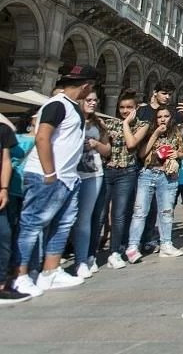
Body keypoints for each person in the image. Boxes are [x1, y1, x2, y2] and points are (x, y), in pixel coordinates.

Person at [13, 65, 99, 297]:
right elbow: (42, 136)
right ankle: (19, 277)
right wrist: (49, 172)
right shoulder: (57, 104)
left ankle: (50, 273)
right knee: (32, 225)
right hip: (48, 176)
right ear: (86, 85)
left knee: (62, 225)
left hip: (68, 178)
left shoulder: (70, 106)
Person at [123, 106, 183, 263]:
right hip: (148, 174)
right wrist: (155, 134)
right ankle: (133, 246)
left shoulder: (177, 133)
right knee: (140, 212)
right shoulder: (148, 131)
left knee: (166, 212)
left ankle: (166, 244)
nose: (163, 119)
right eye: (159, 116)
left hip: (168, 176)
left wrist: (178, 154)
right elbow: (141, 153)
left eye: (166, 116)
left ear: (170, 117)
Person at [102, 90, 149, 269]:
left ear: (136, 108)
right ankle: (90, 256)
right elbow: (106, 147)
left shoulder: (142, 125)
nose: (125, 110)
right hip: (108, 171)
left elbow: (131, 144)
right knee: (100, 213)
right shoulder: (109, 123)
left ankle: (115, 251)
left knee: (119, 214)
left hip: (127, 172)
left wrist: (126, 123)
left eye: (129, 107)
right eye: (122, 107)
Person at [72, 92, 110, 278]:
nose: (93, 103)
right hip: (69, 174)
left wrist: (95, 144)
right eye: (89, 100)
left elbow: (107, 150)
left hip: (93, 174)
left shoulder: (98, 124)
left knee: (86, 218)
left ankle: (85, 258)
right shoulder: (70, 120)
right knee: (64, 219)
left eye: (96, 100)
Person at [0, 112, 30, 303]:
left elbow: (5, 161)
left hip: (0, 191)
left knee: (4, 235)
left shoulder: (3, 130)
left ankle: (2, 286)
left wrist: (3, 188)